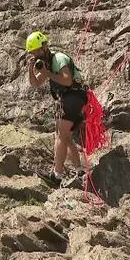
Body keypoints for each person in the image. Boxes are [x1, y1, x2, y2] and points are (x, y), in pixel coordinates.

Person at [26, 31, 88, 186]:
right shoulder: (45, 64)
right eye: (34, 53)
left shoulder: (58, 59)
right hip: (73, 99)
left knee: (60, 135)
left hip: (73, 96)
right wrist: (30, 69)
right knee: (65, 137)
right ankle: (80, 169)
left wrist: (48, 74)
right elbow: (35, 84)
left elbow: (67, 80)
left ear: (45, 46)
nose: (37, 55)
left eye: (38, 51)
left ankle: (56, 174)